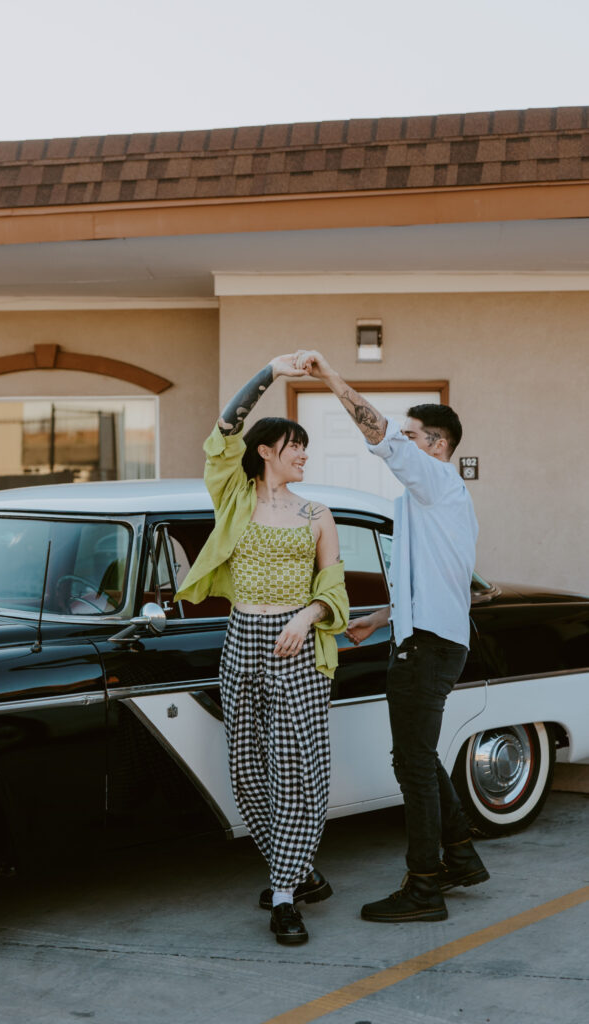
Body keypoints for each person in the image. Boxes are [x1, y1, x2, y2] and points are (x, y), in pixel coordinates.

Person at [293, 348, 488, 923]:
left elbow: (376, 430)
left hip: (428, 649)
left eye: (411, 435)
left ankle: (424, 887)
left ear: (436, 446)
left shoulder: (435, 483)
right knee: (419, 757)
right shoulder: (424, 500)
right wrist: (381, 618)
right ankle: (459, 857)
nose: (399, 441)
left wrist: (329, 375)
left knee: (412, 764)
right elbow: (437, 578)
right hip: (427, 638)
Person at [175, 354, 349, 945]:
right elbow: (224, 429)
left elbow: (334, 589)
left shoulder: (318, 515)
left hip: (295, 648)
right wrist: (273, 370)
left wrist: (309, 613)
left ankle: (282, 896)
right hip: (240, 641)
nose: (304, 455)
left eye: (305, 448)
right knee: (248, 769)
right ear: (268, 450)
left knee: (298, 769)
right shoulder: (233, 496)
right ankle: (297, 871)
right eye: (295, 446)